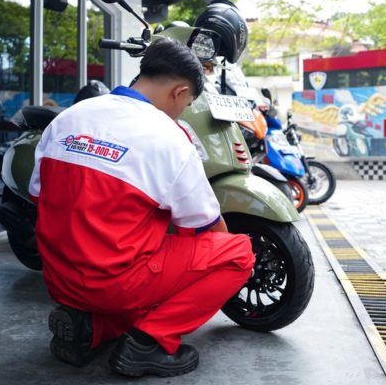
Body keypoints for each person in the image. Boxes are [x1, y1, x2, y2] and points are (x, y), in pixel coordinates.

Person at [28, 38, 255, 377]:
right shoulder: (169, 136)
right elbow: (204, 227)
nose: (182, 111)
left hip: (59, 279)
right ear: (180, 92)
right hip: (114, 284)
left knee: (137, 266)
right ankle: (149, 344)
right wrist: (209, 267)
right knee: (237, 253)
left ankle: (90, 328)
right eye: (187, 103)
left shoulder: (70, 117)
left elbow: (38, 195)